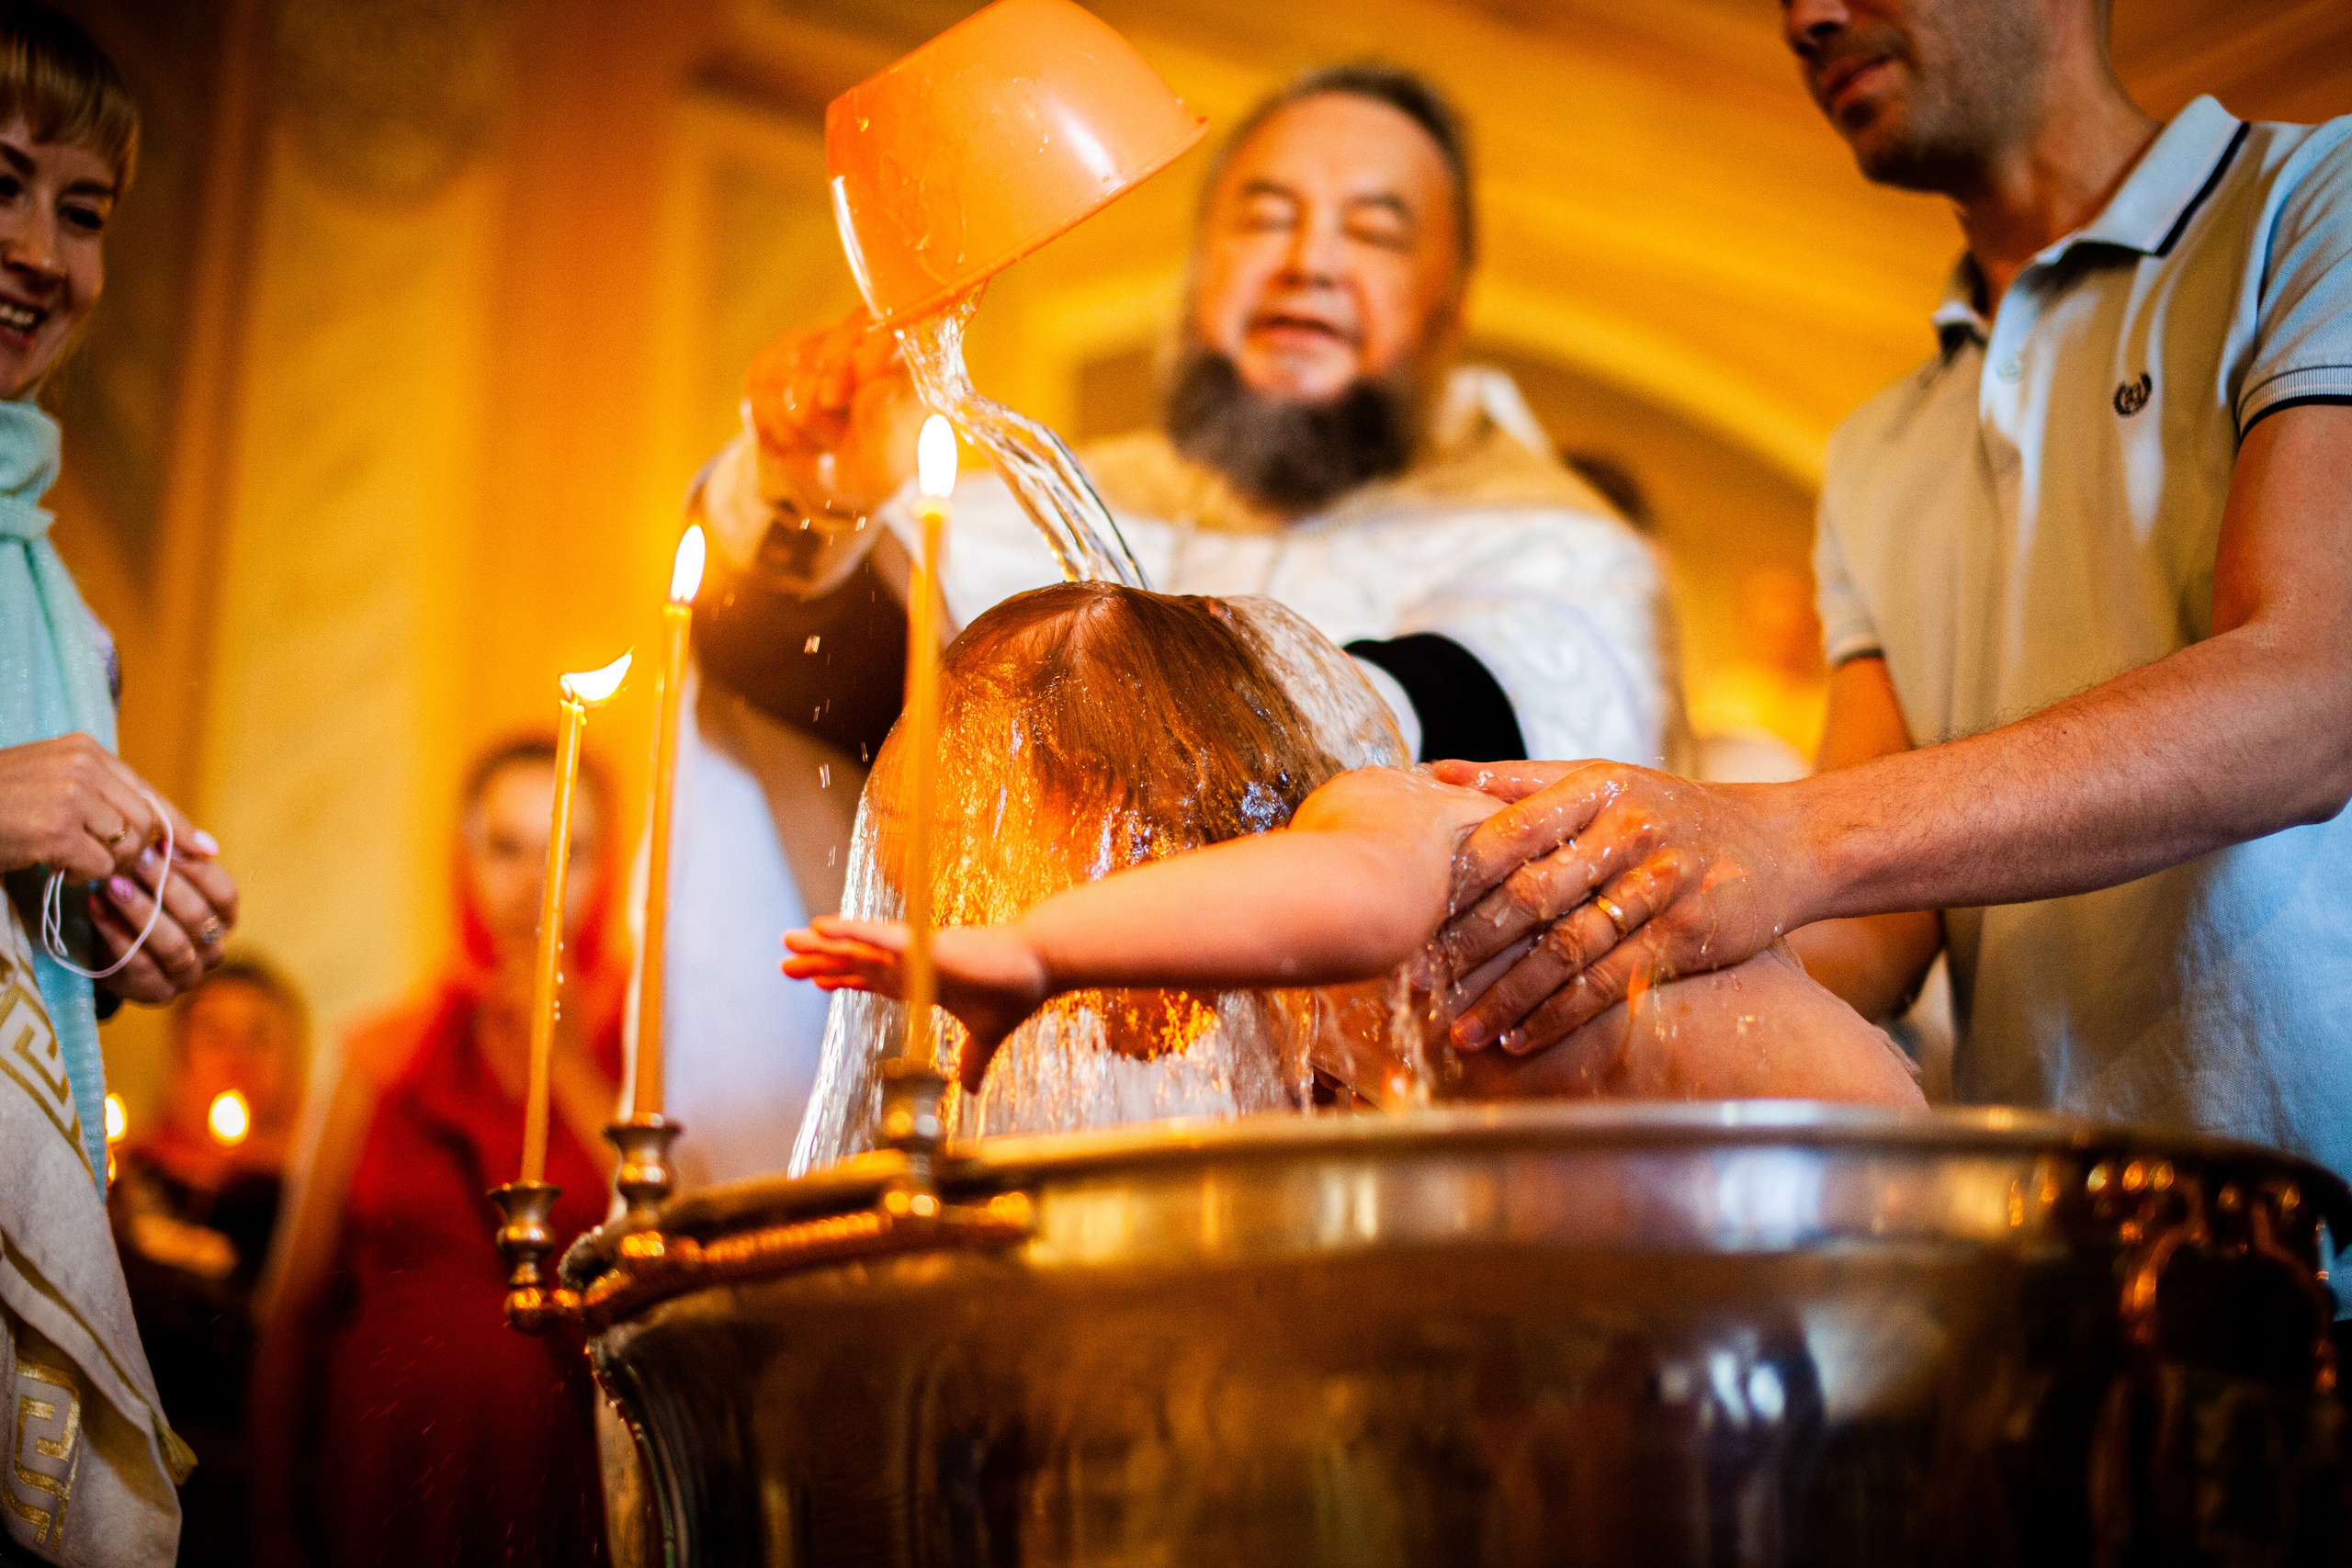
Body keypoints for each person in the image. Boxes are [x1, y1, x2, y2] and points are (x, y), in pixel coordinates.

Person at [1430, 0, 2352, 1235]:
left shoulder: (2317, 207)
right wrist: (1555, 966)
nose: (1805, 16)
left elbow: (2312, 695)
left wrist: (1776, 834)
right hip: (2060, 1259)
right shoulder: (1875, 451)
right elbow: (1873, 925)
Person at [673, 62, 1684, 1181]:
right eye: (1267, 215)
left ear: (1449, 302)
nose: (1311, 261)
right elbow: (824, 697)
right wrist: (810, 491)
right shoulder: (1041, 506)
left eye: (1377, 231)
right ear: (1202, 267)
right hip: (1020, 1176)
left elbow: (1494, 761)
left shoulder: (1548, 542)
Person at [783, 583, 1921, 1114]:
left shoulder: (1366, 822)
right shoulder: (1305, 1025)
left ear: (1120, 805)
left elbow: (1356, 902)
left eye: (994, 885)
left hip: (1845, 1187)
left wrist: (1040, 956)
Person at [0, 7, 238, 1563]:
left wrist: (128, 936)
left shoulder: (68, 613)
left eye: (83, 213)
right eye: (3, 183)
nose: (40, 249)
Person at [250, 739, 621, 1568]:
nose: (537, 880)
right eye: (508, 847)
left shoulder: (644, 1051)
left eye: (570, 849)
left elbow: (659, 1247)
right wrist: (272, 1523)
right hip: (381, 1475)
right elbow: (296, 1303)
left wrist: (564, 1065)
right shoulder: (383, 1055)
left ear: (608, 867)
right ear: (466, 860)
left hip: (563, 1481)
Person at [109, 958, 305, 1567]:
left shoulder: (310, 1197)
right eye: (215, 1035)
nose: (235, 1057)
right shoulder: (128, 1184)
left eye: (259, 1036)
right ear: (179, 1053)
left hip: (270, 1481)